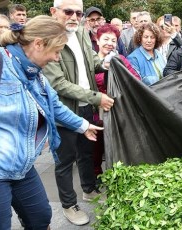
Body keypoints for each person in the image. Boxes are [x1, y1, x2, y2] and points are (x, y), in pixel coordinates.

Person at [0, 15, 102, 230]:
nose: (57, 58)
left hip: (22, 166)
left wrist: (83, 126)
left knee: (41, 217)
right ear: (38, 44)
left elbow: (54, 105)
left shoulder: (36, 75)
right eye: (56, 51)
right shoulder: (2, 64)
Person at [44, 0, 115, 226]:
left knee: (86, 152)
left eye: (79, 12)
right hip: (64, 110)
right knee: (65, 160)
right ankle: (68, 205)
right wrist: (96, 97)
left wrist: (104, 63)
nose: (74, 16)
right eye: (68, 11)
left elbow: (90, 60)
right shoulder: (49, 39)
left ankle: (89, 189)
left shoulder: (82, 32)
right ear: (54, 12)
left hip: (86, 105)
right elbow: (58, 83)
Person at [93, 24, 140, 178]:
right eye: (106, 39)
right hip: (98, 110)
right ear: (97, 41)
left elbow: (135, 79)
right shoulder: (92, 61)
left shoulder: (121, 59)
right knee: (96, 147)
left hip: (119, 109)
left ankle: (120, 174)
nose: (110, 43)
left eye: (113, 40)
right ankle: (96, 176)